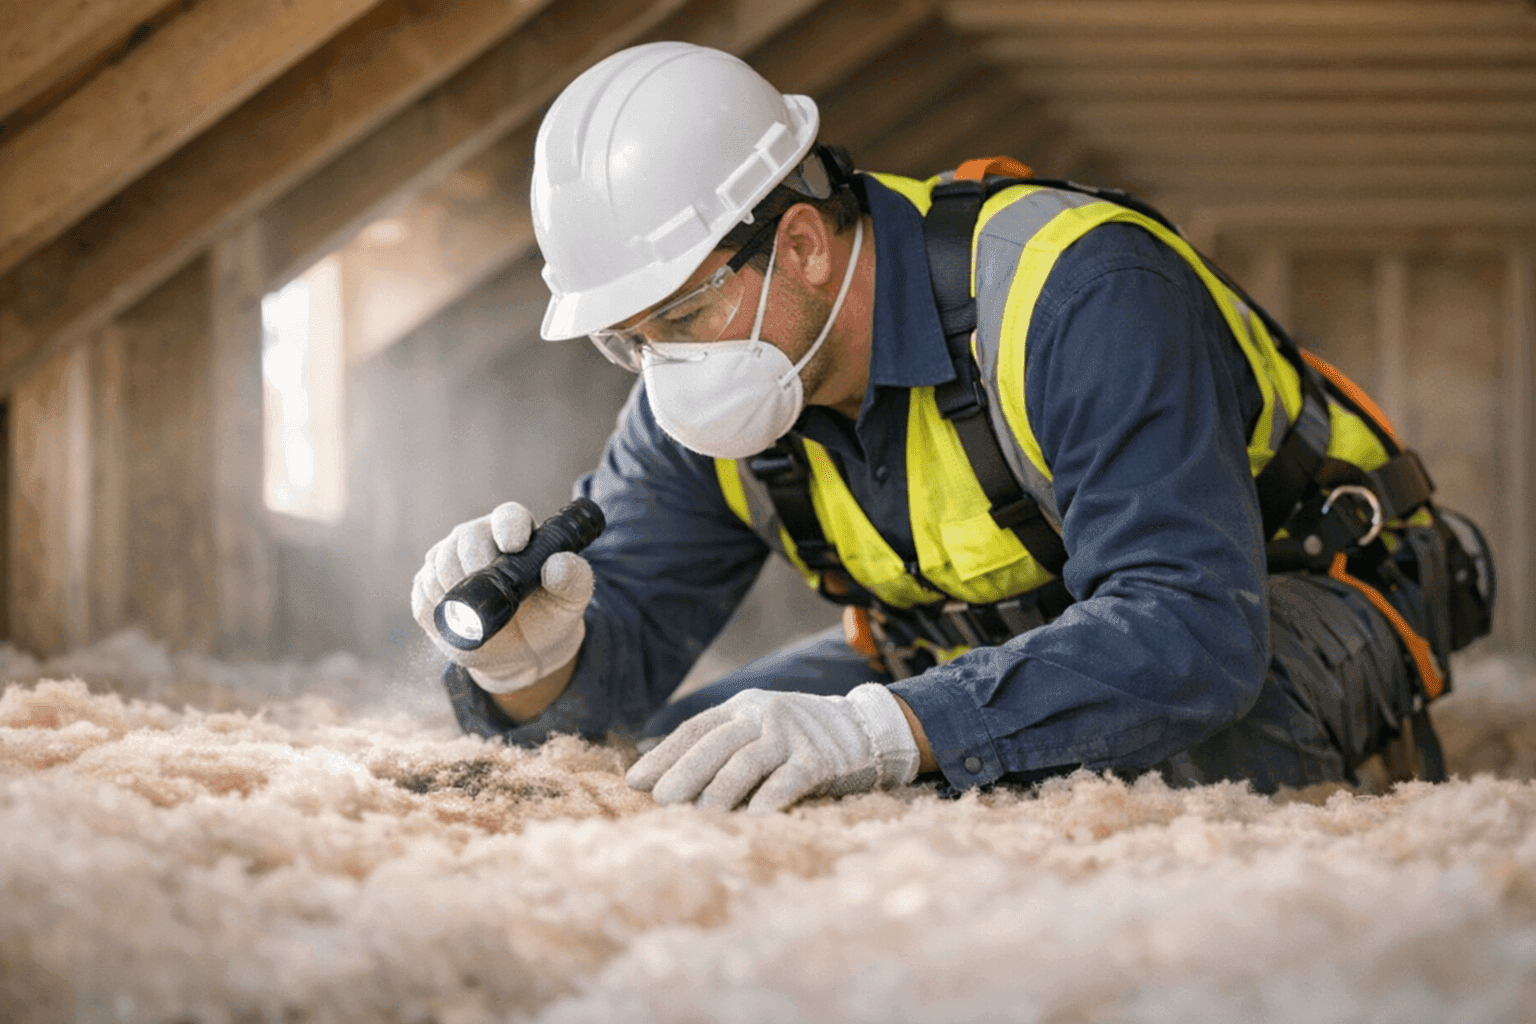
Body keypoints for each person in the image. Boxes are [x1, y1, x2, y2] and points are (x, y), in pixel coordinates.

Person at [409, 41, 1492, 814]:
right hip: (980, 642)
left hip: (1287, 593)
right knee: (693, 768)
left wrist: (894, 732)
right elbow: (610, 686)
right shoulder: (693, 398)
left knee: (1184, 752)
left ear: (802, 245)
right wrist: (528, 665)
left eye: (685, 317)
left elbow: (1193, 632)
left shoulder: (1076, 294)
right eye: (628, 340)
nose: (662, 371)